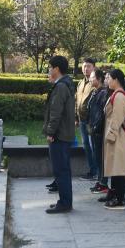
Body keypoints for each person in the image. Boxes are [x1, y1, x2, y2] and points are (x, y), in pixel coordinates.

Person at [43, 55, 76, 214]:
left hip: (59, 135)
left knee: (61, 170)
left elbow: (56, 113)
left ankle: (64, 203)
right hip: (64, 134)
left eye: (50, 67)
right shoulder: (65, 84)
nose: (49, 70)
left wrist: (50, 132)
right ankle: (65, 201)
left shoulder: (61, 87)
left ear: (56, 69)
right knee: (64, 169)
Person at [102, 69, 125, 210]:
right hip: (116, 137)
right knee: (116, 169)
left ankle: (120, 200)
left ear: (116, 79)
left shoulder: (119, 96)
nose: (107, 80)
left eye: (109, 78)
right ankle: (115, 195)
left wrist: (110, 136)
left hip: (118, 138)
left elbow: (117, 119)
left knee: (120, 170)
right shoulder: (116, 94)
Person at [85, 69, 110, 195]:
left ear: (99, 79)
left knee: (101, 158)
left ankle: (103, 183)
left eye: (93, 77)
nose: (90, 79)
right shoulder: (95, 92)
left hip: (99, 131)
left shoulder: (103, 93)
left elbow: (102, 114)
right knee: (97, 157)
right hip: (94, 130)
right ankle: (100, 181)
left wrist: (96, 127)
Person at [75, 58, 98, 182]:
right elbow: (77, 101)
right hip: (82, 120)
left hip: (91, 122)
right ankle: (92, 171)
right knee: (86, 146)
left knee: (93, 147)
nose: (85, 68)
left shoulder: (95, 83)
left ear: (94, 67)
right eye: (84, 66)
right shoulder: (81, 83)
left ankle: (96, 172)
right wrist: (76, 117)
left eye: (88, 66)